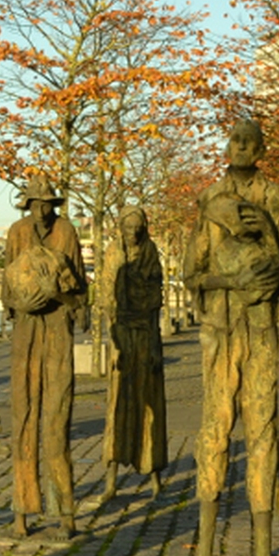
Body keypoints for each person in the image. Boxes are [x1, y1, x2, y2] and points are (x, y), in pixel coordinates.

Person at [183, 117, 279, 556]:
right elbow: (194, 275)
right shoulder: (209, 201)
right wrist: (230, 281)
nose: (239, 147)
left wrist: (271, 232)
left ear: (260, 150)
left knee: (263, 436)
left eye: (248, 142)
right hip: (219, 332)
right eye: (234, 140)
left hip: (260, 334)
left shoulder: (278, 201)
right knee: (213, 435)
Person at [1, 175, 87, 537]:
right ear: (27, 206)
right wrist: (20, 302)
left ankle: (65, 512)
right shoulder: (16, 232)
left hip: (56, 337)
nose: (42, 211)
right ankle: (22, 511)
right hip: (25, 336)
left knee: (56, 420)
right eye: (36, 205)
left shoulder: (67, 233)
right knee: (23, 419)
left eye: (48, 204)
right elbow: (6, 292)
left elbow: (81, 299)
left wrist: (58, 295)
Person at [95, 206, 167, 504]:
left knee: (150, 407)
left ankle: (154, 476)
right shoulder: (113, 254)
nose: (133, 234)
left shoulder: (151, 254)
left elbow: (154, 305)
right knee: (118, 405)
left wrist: (153, 346)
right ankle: (111, 479)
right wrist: (115, 343)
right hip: (122, 335)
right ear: (121, 230)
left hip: (147, 336)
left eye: (138, 229)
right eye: (128, 229)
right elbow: (106, 297)